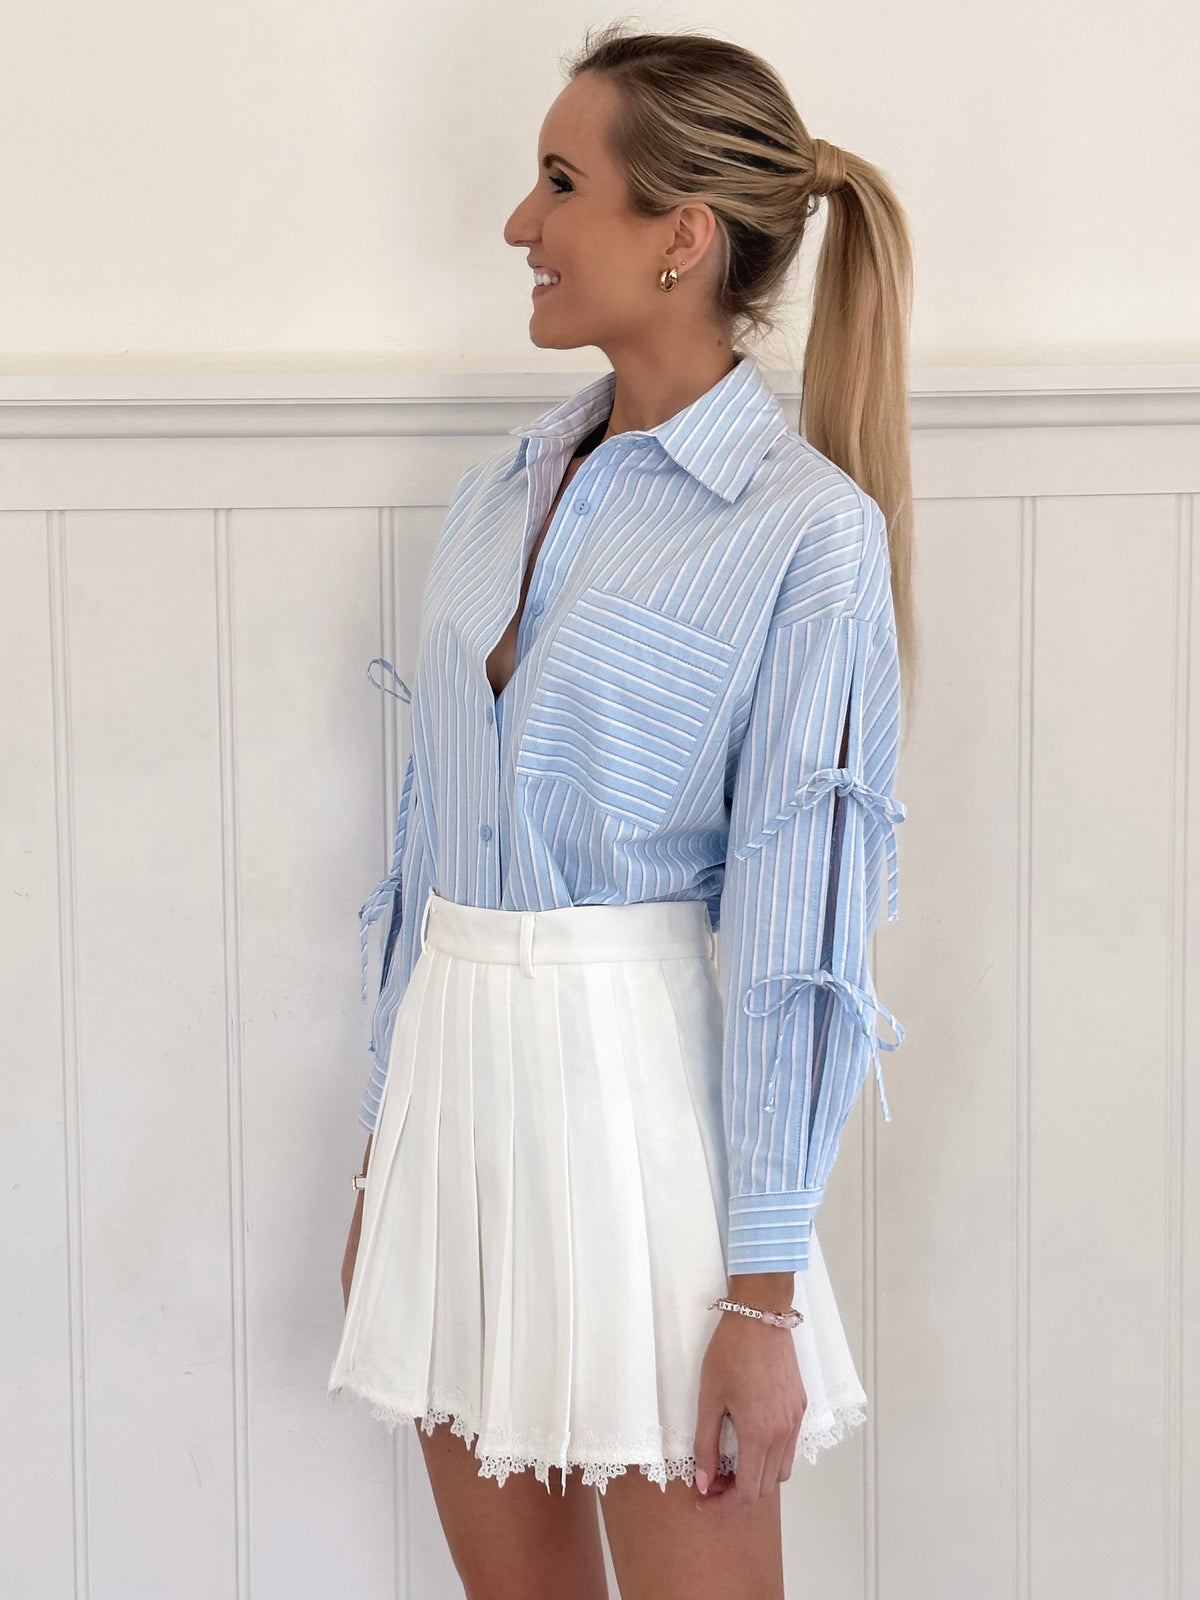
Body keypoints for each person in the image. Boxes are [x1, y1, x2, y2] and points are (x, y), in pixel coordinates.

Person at [329, 22, 916, 1600]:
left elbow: (797, 929)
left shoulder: (805, 535)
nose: (519, 223)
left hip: (641, 1127)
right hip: (453, 1109)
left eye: (559, 182)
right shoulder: (499, 491)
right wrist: (385, 1163)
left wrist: (763, 1296)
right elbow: (427, 856)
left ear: (682, 236)